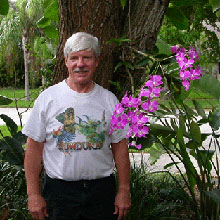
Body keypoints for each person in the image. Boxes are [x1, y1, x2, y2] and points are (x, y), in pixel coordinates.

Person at [23, 32, 131, 220]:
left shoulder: (110, 101)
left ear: (96, 61)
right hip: (59, 193)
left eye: (86, 58)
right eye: (74, 58)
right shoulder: (48, 99)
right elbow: (33, 149)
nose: (80, 64)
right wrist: (33, 195)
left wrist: (123, 190)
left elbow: (120, 146)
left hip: (101, 192)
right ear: (66, 62)